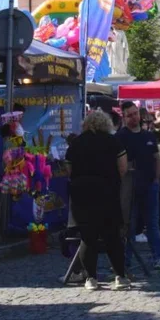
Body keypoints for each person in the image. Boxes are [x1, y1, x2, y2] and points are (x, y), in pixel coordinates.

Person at [67, 109, 129, 290]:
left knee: (88, 237)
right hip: (107, 192)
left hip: (82, 195)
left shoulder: (76, 143)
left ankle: (91, 279)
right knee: (112, 236)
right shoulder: (113, 142)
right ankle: (120, 277)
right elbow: (123, 168)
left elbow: (69, 171)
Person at [116, 101, 160, 271]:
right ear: (124, 116)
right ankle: (126, 259)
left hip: (150, 185)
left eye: (135, 113)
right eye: (130, 115)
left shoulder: (148, 136)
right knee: (129, 224)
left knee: (152, 223)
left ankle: (158, 257)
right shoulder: (120, 136)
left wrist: (157, 179)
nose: (134, 117)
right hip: (130, 186)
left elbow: (156, 158)